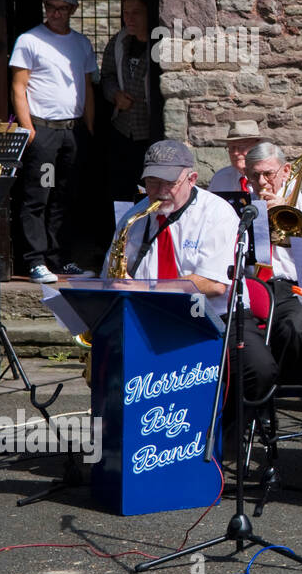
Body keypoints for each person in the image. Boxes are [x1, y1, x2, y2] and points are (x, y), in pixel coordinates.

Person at [103, 139, 276, 403]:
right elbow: (111, 276)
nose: (159, 192)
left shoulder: (218, 213)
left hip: (215, 318)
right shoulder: (133, 218)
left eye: (168, 183)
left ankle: (222, 437)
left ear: (192, 179)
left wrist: (145, 287)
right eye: (152, 183)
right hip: (152, 318)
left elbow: (213, 284)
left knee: (257, 369)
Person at [10, 0, 97, 283]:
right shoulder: (30, 40)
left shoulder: (81, 43)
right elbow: (18, 86)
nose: (56, 13)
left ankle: (58, 258)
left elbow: (86, 87)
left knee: (65, 195)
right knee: (39, 194)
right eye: (50, 7)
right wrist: (29, 130)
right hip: (45, 131)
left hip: (72, 132)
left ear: (73, 10)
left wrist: (89, 127)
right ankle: (35, 260)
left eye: (62, 8)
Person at [244, 141, 302, 392]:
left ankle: (279, 391)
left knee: (295, 325)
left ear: (286, 170)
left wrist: (283, 211)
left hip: (294, 288)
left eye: (268, 174)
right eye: (254, 175)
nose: (261, 182)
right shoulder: (241, 207)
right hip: (252, 287)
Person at [100, 0, 158, 202]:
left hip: (151, 132)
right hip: (123, 130)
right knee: (121, 188)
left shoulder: (160, 44)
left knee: (150, 188)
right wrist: (115, 95)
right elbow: (106, 76)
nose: (130, 19)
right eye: (126, 13)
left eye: (137, 13)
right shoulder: (118, 43)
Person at [209, 120, 268, 195]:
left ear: (257, 147)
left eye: (242, 147)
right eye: (231, 147)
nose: (235, 153)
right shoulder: (220, 178)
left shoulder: (271, 177)